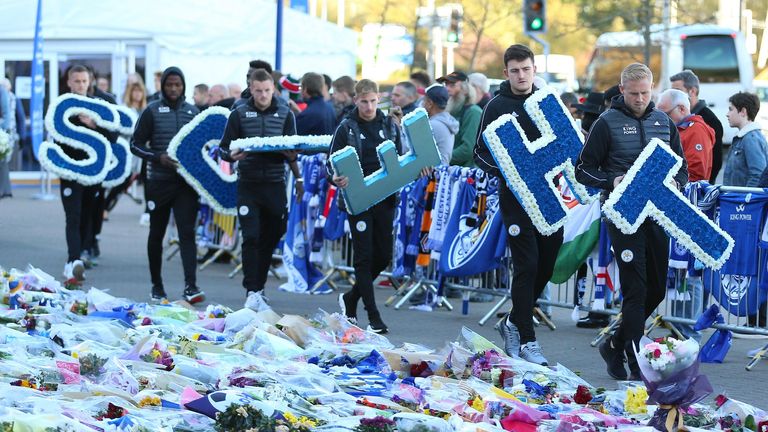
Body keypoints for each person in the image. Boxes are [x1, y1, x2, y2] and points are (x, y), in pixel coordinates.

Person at [576, 63, 688, 380]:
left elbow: (681, 168)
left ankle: (616, 343)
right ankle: (637, 358)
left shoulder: (663, 121)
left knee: (656, 289)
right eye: (633, 93)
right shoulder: (606, 122)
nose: (639, 99)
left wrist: (676, 184)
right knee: (635, 291)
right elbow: (583, 170)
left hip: (656, 213)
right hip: (622, 215)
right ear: (622, 90)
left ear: (652, 89)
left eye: (644, 93)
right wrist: (613, 180)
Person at [473, 45, 559, 366]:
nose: (521, 76)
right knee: (527, 266)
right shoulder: (495, 106)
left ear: (534, 70)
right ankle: (527, 340)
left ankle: (512, 320)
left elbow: (568, 146)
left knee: (546, 267)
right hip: (515, 200)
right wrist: (506, 171)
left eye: (526, 69)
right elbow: (479, 152)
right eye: (514, 70)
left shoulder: (548, 102)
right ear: (506, 72)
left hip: (550, 198)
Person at [219, 68, 302, 306]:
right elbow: (224, 149)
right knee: (251, 237)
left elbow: (294, 149)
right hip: (249, 184)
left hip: (275, 184)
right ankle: (251, 290)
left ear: (273, 89)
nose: (263, 95)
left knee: (272, 235)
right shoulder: (239, 112)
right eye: (258, 91)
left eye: (267, 90)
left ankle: (260, 285)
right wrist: (233, 157)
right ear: (251, 89)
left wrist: (297, 175)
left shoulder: (286, 113)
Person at [329, 79, 403, 334]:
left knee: (382, 255)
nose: (369, 106)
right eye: (364, 102)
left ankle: (351, 297)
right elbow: (331, 161)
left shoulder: (389, 125)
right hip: (357, 198)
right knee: (363, 256)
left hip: (384, 197)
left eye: (373, 101)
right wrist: (335, 177)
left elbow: (401, 157)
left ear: (379, 98)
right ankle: (373, 314)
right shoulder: (347, 127)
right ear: (355, 100)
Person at [130, 66, 205, 304]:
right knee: (157, 232)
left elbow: (202, 147)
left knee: (187, 234)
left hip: (186, 185)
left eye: (178, 85)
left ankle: (191, 286)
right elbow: (136, 144)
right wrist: (157, 157)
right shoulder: (151, 110)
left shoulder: (193, 112)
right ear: (162, 86)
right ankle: (157, 286)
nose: (173, 89)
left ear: (183, 86)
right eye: (169, 84)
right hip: (158, 182)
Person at [55, 65, 118, 281]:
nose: (81, 85)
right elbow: (56, 138)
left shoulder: (98, 105)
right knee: (72, 215)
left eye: (84, 81)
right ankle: (73, 259)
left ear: (89, 82)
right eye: (77, 81)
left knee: (88, 213)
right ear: (69, 83)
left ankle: (83, 251)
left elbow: (113, 137)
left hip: (93, 170)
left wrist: (94, 125)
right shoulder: (62, 106)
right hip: (70, 171)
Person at [670, 70, 724, 183]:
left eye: (678, 91)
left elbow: (716, 161)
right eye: (672, 91)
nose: (673, 95)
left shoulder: (710, 120)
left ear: (692, 91)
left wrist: (706, 187)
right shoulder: (677, 117)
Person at [657, 89, 714, 182]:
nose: (662, 119)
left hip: (687, 192)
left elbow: (696, 173)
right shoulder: (680, 129)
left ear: (681, 109)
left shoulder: (696, 131)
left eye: (666, 114)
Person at [723, 92, 767, 187]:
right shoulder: (743, 137)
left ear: (743, 111)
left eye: (730, 109)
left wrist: (746, 200)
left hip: (741, 200)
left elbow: (757, 175)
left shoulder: (751, 139)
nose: (727, 114)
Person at [438, 71, 481, 167]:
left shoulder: (473, 112)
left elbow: (468, 149)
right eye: (446, 84)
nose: (447, 89)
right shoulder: (453, 111)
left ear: (465, 89)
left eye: (452, 85)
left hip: (466, 174)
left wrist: (440, 159)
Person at [423, 84, 458, 165]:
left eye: (424, 101)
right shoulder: (446, 121)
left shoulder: (433, 125)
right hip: (441, 174)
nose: (422, 104)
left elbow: (409, 150)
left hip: (433, 175)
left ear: (430, 103)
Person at [0, 84, 12, 198]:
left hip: (1, 131)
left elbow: (6, 114)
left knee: (2, 162)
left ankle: (4, 191)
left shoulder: (1, 91)